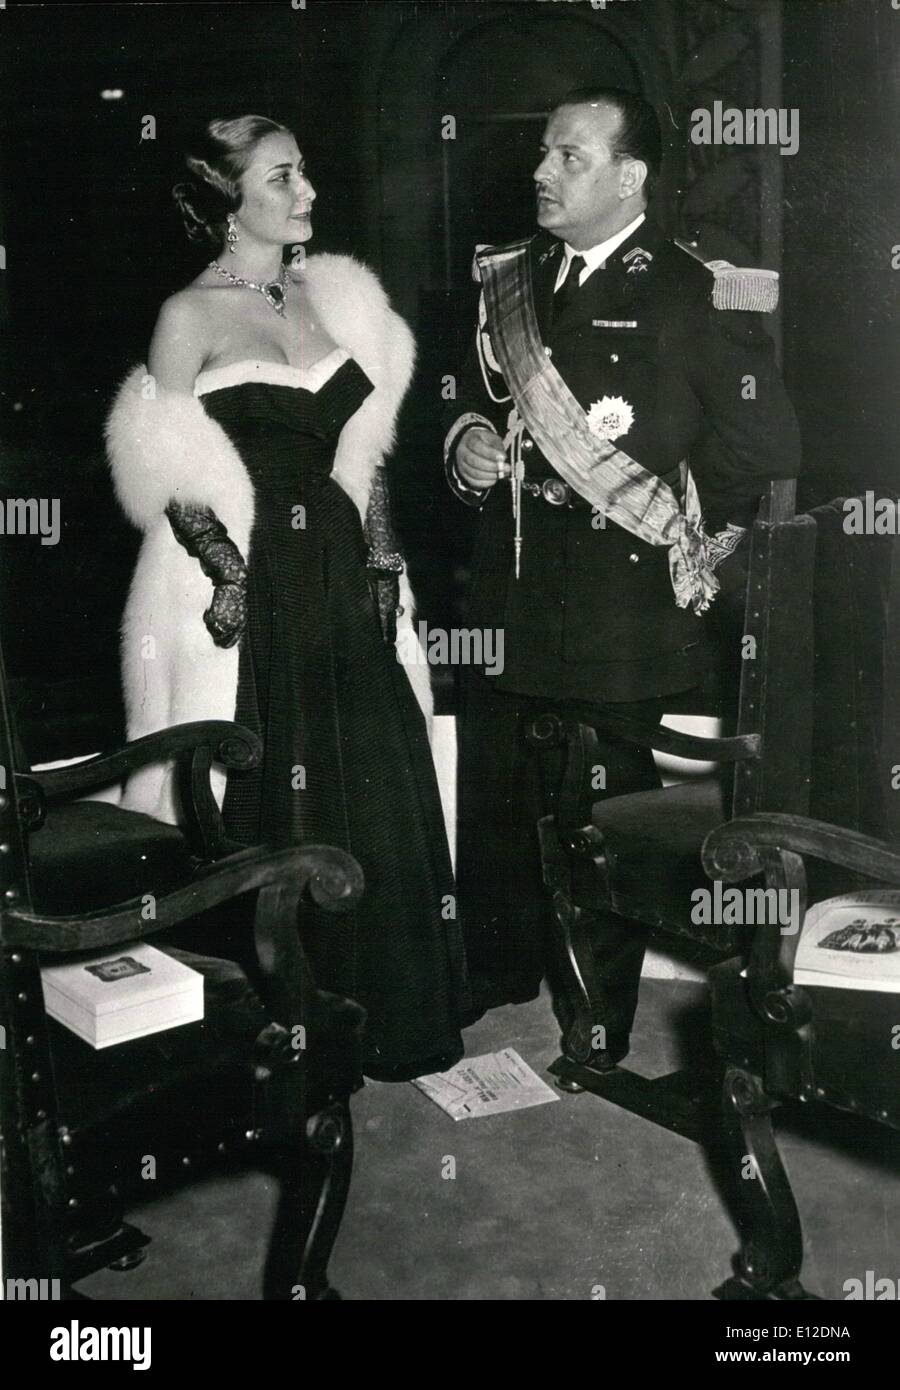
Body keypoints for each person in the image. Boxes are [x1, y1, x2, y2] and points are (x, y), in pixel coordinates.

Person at [106, 114, 468, 1081]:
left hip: (344, 568)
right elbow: (166, 464)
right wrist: (228, 575)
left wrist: (385, 566)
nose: (307, 193)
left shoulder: (332, 297)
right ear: (231, 203)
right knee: (279, 779)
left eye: (305, 172)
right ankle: (294, 1028)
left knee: (377, 770)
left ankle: (391, 1013)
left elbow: (368, 456)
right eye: (282, 177)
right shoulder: (188, 316)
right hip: (256, 579)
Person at [444, 87, 801, 1067]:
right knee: (510, 799)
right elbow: (471, 403)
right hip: (511, 588)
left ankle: (594, 1031)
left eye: (568, 156)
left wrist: (688, 533)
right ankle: (504, 971)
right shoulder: (507, 280)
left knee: (597, 816)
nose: (541, 173)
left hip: (621, 604)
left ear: (629, 177)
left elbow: (764, 443)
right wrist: (465, 445)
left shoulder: (700, 291)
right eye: (546, 154)